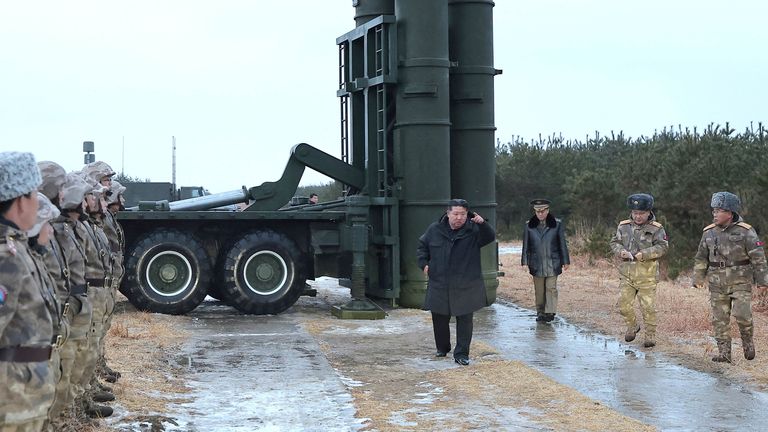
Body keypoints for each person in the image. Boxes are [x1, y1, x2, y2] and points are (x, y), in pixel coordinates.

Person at [0, 151, 56, 432]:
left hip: (25, 394)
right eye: (34, 193)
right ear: (21, 200)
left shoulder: (16, 248)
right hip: (13, 401)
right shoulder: (5, 257)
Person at [417, 198, 495, 366]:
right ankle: (442, 348)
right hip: (440, 281)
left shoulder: (474, 230)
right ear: (448, 213)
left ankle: (461, 354)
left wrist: (482, 224)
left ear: (468, 215)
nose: (459, 218)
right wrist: (424, 264)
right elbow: (422, 247)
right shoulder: (435, 229)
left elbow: (490, 237)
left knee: (465, 319)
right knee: (439, 317)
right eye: (456, 214)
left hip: (466, 282)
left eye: (463, 214)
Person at [693, 192, 767, 362]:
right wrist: (698, 278)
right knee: (719, 319)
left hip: (740, 281)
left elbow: (758, 258)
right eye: (714, 210)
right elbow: (700, 257)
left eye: (718, 210)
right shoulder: (708, 233)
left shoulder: (746, 232)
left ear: (730, 212)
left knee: (742, 315)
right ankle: (724, 354)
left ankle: (748, 342)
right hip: (716, 283)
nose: (714, 214)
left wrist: (763, 282)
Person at [609, 193, 668, 348]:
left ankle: (650, 335)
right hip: (626, 274)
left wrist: (645, 254)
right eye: (635, 213)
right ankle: (633, 325)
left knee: (648, 307)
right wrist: (620, 251)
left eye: (641, 213)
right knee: (623, 305)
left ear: (649, 212)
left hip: (646, 275)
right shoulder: (624, 226)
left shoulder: (657, 229)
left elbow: (663, 247)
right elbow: (614, 242)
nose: (638, 216)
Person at [521, 198, 570, 322]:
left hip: (553, 262)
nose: (540, 214)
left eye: (542, 211)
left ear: (547, 210)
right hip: (536, 263)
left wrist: (566, 261)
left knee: (551, 288)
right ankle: (541, 312)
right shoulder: (529, 226)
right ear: (535, 212)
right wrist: (525, 261)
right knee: (539, 290)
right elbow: (526, 245)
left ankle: (550, 312)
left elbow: (562, 244)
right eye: (538, 212)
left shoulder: (557, 224)